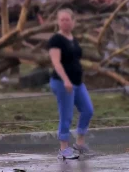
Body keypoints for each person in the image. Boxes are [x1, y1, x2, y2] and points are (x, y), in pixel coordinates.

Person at [47, 8, 94, 159]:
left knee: (87, 110)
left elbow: (75, 60)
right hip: (62, 82)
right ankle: (64, 149)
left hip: (77, 82)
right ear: (58, 22)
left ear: (73, 21)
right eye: (62, 19)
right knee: (66, 114)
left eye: (68, 19)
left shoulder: (73, 39)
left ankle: (79, 143)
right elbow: (56, 62)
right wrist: (66, 80)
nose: (65, 22)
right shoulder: (56, 40)